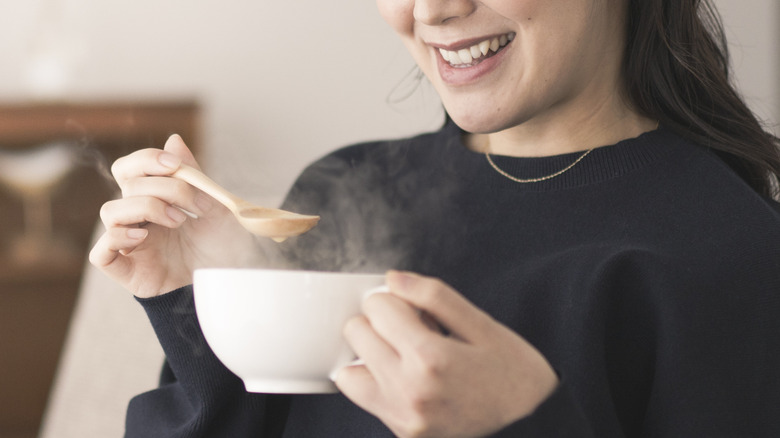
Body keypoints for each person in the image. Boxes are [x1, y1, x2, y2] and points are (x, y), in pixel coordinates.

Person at [90, 0, 780, 436]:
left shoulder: (732, 253)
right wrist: (197, 303)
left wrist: (522, 425)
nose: (435, 9)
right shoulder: (342, 188)